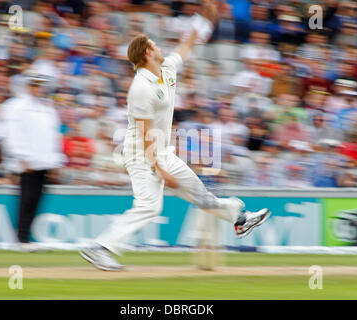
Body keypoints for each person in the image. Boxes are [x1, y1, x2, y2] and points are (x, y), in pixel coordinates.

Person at [80, 0, 271, 271]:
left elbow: (187, 42)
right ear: (147, 53)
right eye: (155, 45)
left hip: (162, 152)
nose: (160, 47)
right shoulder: (140, 89)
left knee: (198, 193)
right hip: (140, 155)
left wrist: (206, 16)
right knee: (149, 206)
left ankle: (240, 220)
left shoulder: (167, 69)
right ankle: (101, 248)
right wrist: (160, 169)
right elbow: (146, 136)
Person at [0, 72, 65, 251]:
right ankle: (20, 238)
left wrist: (56, 160)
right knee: (26, 199)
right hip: (27, 162)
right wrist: (21, 156)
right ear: (27, 86)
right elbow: (12, 133)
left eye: (40, 85)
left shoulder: (48, 108)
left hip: (44, 161)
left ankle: (25, 238)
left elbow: (53, 136)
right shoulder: (16, 106)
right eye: (34, 85)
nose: (37, 89)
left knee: (36, 199)